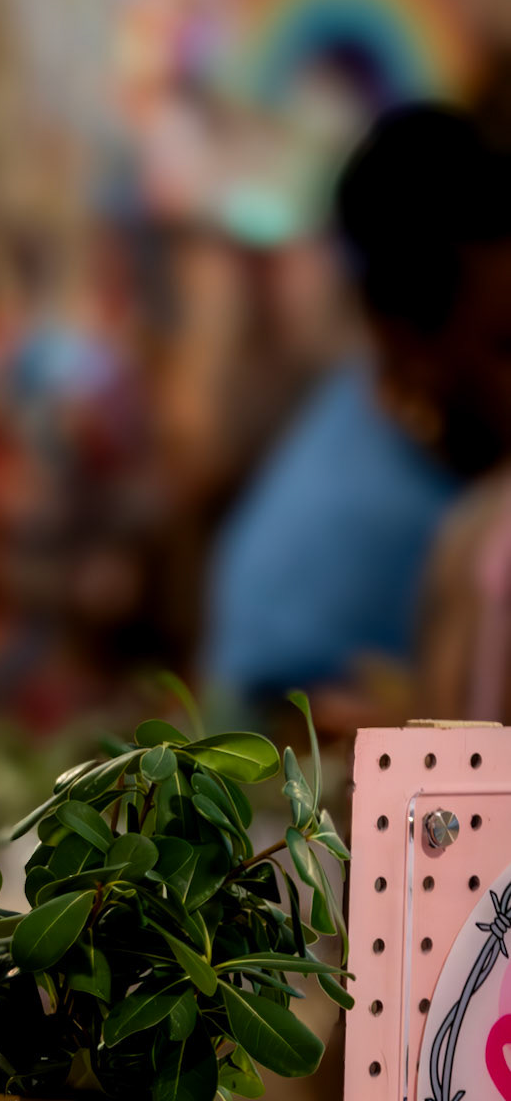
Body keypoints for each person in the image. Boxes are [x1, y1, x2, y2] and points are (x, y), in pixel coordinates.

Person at [202, 104, 511, 720]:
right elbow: (285, 743)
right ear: (406, 340)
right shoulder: (336, 540)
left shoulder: (428, 445)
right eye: (508, 345)